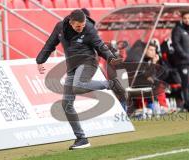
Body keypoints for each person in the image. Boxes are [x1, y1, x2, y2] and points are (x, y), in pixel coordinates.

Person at [36, 10, 126, 150]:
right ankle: (82, 139)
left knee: (78, 84)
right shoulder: (60, 27)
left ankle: (112, 84)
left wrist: (111, 58)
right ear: (71, 23)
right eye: (78, 26)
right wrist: (40, 60)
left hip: (88, 61)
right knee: (66, 104)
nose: (81, 28)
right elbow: (50, 44)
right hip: (72, 66)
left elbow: (100, 46)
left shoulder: (89, 28)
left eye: (83, 25)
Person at [171, 11, 189, 108]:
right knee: (185, 82)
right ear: (182, 19)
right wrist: (184, 55)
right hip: (183, 61)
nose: (187, 20)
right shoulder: (177, 30)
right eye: (185, 18)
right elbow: (176, 44)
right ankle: (185, 103)